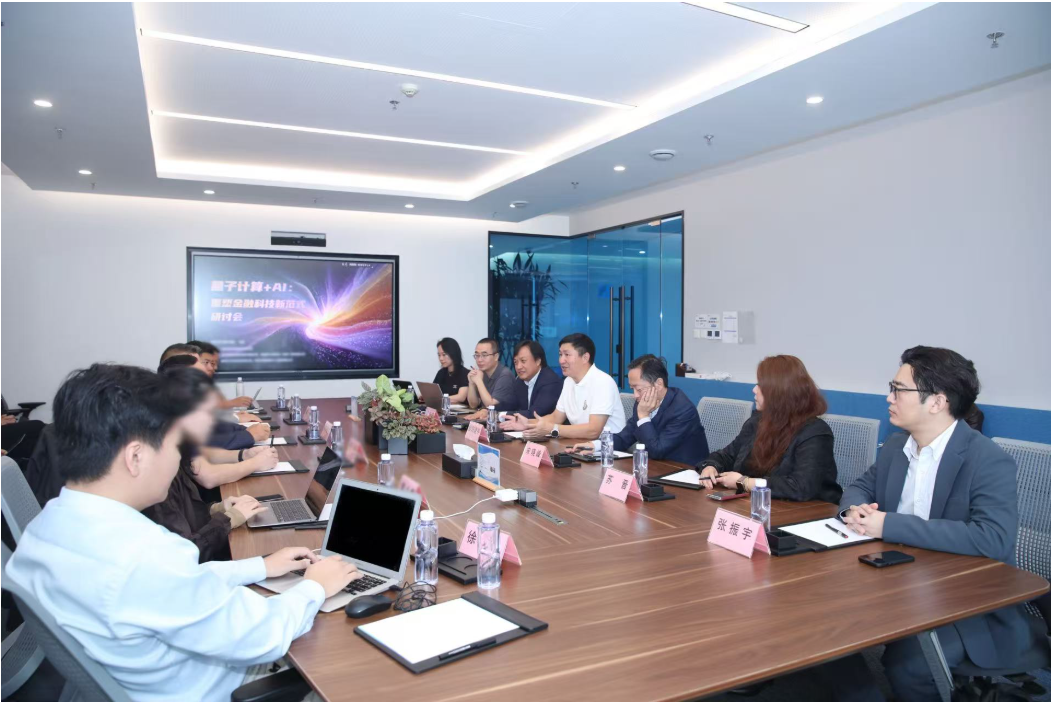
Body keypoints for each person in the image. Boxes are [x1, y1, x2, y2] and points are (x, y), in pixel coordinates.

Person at [5, 363, 361, 701]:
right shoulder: (144, 555)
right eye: (175, 445)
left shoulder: (45, 527)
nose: (179, 459)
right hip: (225, 687)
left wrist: (259, 566)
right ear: (135, 457)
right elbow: (262, 635)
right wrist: (315, 587)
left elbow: (176, 585)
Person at [838, 346, 1034, 701]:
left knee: (910, 666)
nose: (889, 397)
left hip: (964, 598)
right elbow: (859, 487)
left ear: (937, 402)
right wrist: (854, 510)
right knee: (831, 628)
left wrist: (888, 525)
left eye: (898, 389)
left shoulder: (987, 459)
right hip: (899, 579)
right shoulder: (897, 445)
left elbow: (993, 539)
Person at [143, 366, 267, 562]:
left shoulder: (179, 453)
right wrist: (228, 519)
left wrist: (218, 509)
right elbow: (187, 554)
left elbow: (190, 513)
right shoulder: (158, 475)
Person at [696, 355, 840, 503]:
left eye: (760, 385)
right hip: (758, 504)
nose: (754, 390)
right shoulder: (758, 421)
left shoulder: (815, 433)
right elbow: (727, 455)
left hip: (806, 511)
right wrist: (710, 466)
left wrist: (745, 482)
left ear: (778, 392)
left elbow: (801, 487)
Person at [572, 354, 708, 465]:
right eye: (632, 389)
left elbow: (656, 451)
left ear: (659, 384)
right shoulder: (642, 401)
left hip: (685, 473)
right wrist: (595, 445)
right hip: (655, 468)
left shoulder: (682, 410)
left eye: (638, 389)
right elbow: (625, 437)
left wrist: (643, 416)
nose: (635, 395)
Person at [501, 333, 625, 442]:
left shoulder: (602, 382)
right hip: (580, 445)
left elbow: (593, 430)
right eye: (560, 354)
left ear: (585, 358)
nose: (561, 360)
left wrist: (553, 429)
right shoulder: (569, 381)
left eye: (567, 355)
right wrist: (527, 423)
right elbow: (556, 417)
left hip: (610, 451)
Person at [503, 340, 561, 419]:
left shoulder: (550, 381)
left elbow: (535, 414)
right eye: (516, 362)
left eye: (523, 361)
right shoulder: (520, 381)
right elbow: (508, 404)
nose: (518, 367)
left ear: (538, 361)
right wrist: (490, 411)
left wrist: (500, 415)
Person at [188, 340, 254, 409]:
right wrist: (231, 403)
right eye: (207, 362)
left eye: (214, 363)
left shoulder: (202, 384)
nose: (214, 368)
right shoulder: (183, 384)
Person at [465, 337, 518, 415]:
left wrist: (479, 381)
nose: (479, 360)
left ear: (496, 357)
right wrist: (471, 383)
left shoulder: (505, 375)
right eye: (477, 355)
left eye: (484, 355)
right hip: (486, 417)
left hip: (503, 420)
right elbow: (473, 405)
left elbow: (491, 405)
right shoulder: (482, 373)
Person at [432, 337, 470, 404]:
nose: (441, 358)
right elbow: (433, 392)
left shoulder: (465, 373)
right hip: (443, 407)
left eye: (444, 355)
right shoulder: (441, 373)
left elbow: (461, 397)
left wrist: (439, 399)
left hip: (460, 409)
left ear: (453, 353)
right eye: (439, 355)